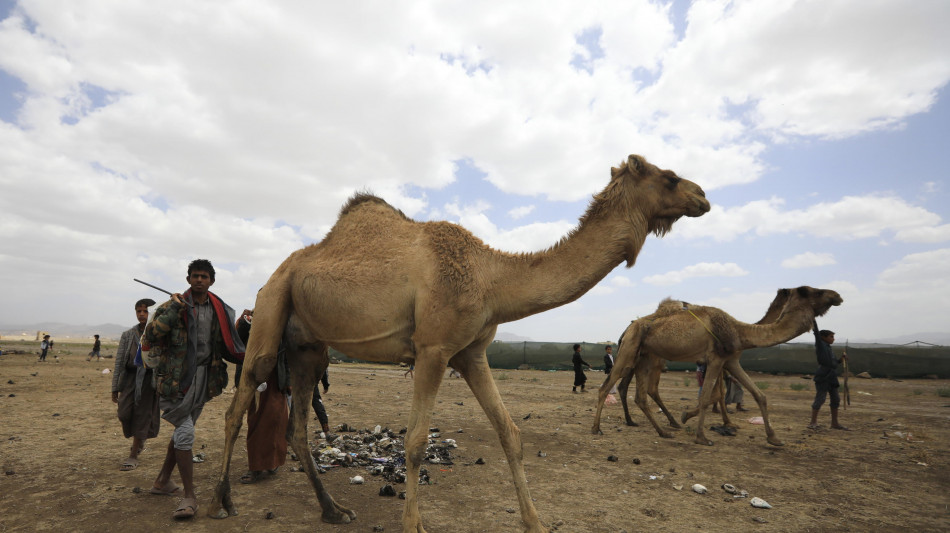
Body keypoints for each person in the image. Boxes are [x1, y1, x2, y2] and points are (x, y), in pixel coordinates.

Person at [141, 259, 244, 519]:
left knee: (181, 433)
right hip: (175, 380)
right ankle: (189, 496)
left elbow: (229, 344)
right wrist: (173, 310)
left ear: (211, 281)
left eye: (204, 276)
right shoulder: (172, 305)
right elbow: (152, 335)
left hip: (204, 380)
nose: (199, 280)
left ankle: (163, 481)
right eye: (195, 276)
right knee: (185, 433)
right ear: (188, 279)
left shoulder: (220, 310)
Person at [112, 298, 161, 471]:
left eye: (145, 311)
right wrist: (115, 387)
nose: (142, 314)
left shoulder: (157, 335)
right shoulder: (128, 335)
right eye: (139, 311)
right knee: (124, 413)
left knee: (142, 415)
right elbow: (119, 362)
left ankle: (133, 454)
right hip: (129, 379)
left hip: (148, 380)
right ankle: (140, 440)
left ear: (151, 314)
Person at [808, 320, 848, 431]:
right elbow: (816, 333)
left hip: (832, 376)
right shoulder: (820, 345)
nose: (833, 338)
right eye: (831, 336)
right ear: (823, 337)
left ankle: (834, 423)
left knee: (836, 399)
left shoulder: (829, 349)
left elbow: (834, 363)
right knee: (820, 399)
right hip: (823, 375)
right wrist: (813, 319)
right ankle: (813, 422)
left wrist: (841, 359)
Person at [312, 370, 335, 441]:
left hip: (297, 381)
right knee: (318, 405)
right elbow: (323, 369)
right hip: (311, 382)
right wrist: (326, 385)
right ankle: (326, 432)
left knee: (296, 408)